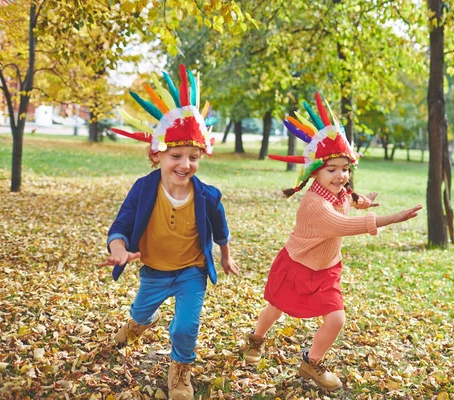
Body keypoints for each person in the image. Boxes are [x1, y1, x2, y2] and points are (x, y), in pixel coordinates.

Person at [243, 92, 421, 391]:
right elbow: (343, 224)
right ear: (315, 172)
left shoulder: (339, 192)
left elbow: (349, 199)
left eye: (345, 168)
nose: (341, 175)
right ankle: (257, 339)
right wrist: (391, 218)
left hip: (327, 268)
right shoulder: (314, 205)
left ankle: (310, 364)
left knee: (336, 319)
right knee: (275, 308)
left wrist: (364, 201)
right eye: (332, 169)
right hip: (297, 265)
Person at [99, 64, 239, 400]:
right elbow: (120, 226)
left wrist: (226, 257)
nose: (185, 164)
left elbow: (221, 229)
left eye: (193, 156)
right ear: (157, 154)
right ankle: (133, 327)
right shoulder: (143, 189)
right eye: (176, 155)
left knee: (186, 326)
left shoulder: (207, 195)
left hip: (192, 271)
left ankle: (180, 373)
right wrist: (118, 248)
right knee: (141, 314)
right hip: (154, 273)